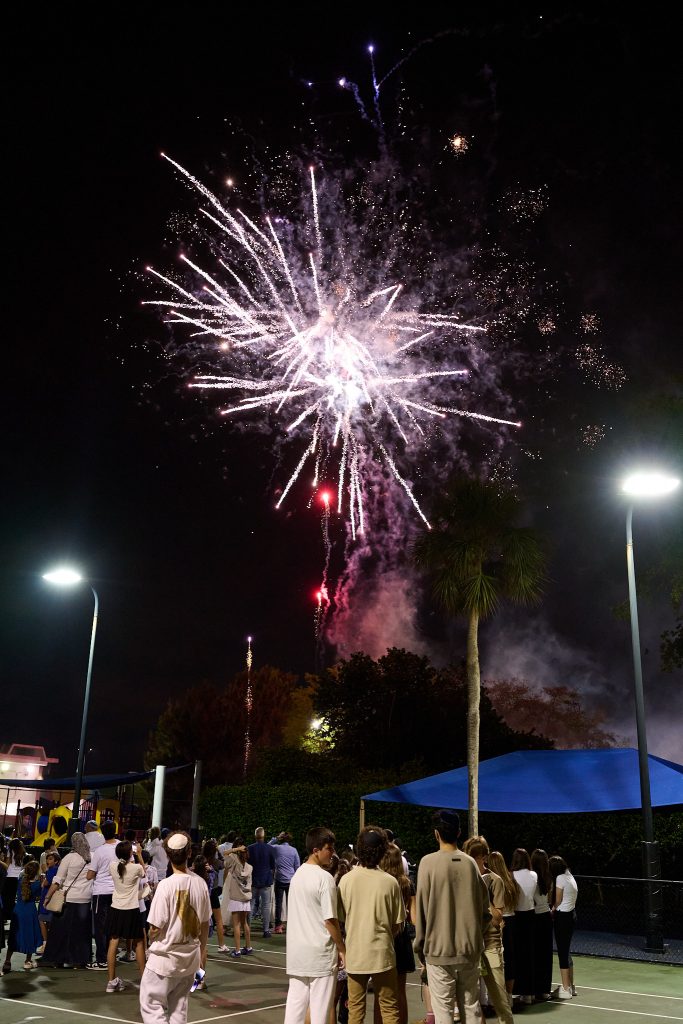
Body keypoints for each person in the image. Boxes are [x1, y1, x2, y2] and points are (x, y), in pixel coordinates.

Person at [413, 810, 489, 1024]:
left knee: (443, 1012)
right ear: (458, 832)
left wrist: (420, 946)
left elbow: (422, 909)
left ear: (436, 834)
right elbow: (485, 910)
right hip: (469, 950)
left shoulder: (427, 863)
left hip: (439, 951)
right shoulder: (471, 864)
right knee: (470, 1008)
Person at [139, 830, 211, 1023]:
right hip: (190, 959)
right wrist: (200, 955)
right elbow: (205, 925)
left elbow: (155, 928)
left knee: (152, 1007)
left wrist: (149, 947)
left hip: (164, 960)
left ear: (168, 855)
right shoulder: (201, 884)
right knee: (180, 1009)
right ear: (189, 853)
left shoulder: (165, 886)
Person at [337, 826, 404, 1024]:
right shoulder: (390, 882)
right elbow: (397, 924)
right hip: (382, 953)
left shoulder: (346, 880)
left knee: (355, 1011)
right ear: (383, 850)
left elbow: (341, 919)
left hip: (356, 954)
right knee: (389, 1009)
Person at [284, 826, 345, 1024]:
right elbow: (330, 920)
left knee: (295, 1009)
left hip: (297, 953)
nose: (332, 853)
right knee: (320, 1011)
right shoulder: (325, 879)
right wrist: (343, 949)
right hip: (320, 954)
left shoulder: (297, 876)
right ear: (316, 850)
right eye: (329, 848)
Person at [462, 836, 513, 1024]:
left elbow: (497, 918)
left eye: (475, 857)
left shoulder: (494, 880)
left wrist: (482, 890)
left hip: (490, 943)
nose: (471, 861)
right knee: (469, 1001)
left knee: (499, 999)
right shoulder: (462, 878)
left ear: (484, 857)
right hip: (468, 943)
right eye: (469, 856)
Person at [41, 831, 93, 968]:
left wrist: (47, 897)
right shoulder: (91, 857)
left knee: (61, 931)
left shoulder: (69, 858)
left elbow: (58, 880)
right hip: (85, 899)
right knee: (81, 932)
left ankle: (58, 959)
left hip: (68, 898)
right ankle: (79, 960)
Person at [377, 843, 416, 1024]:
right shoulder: (407, 884)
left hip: (384, 938)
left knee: (382, 990)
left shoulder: (380, 883)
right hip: (402, 939)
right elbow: (414, 918)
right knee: (400, 990)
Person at [105, 839, 147, 992]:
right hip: (131, 909)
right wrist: (140, 854)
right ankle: (144, 979)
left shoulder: (112, 866)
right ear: (131, 853)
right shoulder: (136, 867)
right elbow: (144, 873)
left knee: (113, 942)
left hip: (116, 908)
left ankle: (111, 981)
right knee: (139, 943)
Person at [486, 851, 519, 1008]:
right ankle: (509, 996)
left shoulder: (493, 881)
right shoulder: (510, 880)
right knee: (510, 960)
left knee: (496, 961)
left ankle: (494, 997)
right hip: (512, 921)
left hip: (500, 922)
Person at [86, 820, 119, 969]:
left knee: (100, 927)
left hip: (101, 892)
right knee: (113, 926)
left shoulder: (100, 851)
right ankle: (111, 955)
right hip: (117, 891)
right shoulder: (121, 847)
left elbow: (90, 874)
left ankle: (101, 960)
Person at [3, 860, 42, 972]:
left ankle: (7, 961)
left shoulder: (20, 881)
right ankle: (27, 961)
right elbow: (38, 896)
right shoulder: (38, 884)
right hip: (30, 911)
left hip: (18, 910)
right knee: (30, 935)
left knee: (14, 935)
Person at [549, 855, 578, 1000]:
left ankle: (566, 989)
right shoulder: (569, 875)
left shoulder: (560, 878)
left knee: (562, 952)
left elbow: (558, 900)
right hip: (571, 915)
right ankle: (571, 987)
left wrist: (552, 910)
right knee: (566, 951)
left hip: (563, 917)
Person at [510, 848, 537, 1003]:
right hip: (530, 914)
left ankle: (518, 991)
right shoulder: (534, 875)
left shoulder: (511, 875)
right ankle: (529, 993)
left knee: (517, 955)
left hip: (517, 916)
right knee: (529, 954)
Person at [222, 838, 253, 956]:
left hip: (236, 897)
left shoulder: (234, 862)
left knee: (236, 924)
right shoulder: (250, 867)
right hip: (246, 897)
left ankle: (237, 950)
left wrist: (236, 849)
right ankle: (248, 947)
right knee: (244, 922)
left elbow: (224, 853)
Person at [530, 849, 553, 1001]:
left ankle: (533, 989)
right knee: (546, 955)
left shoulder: (532, 878)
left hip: (535, 916)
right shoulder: (548, 877)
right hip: (546, 916)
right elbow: (549, 899)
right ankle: (545, 990)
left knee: (534, 954)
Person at [249, 826, 276, 937]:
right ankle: (265, 930)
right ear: (264, 836)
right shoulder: (270, 848)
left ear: (255, 836)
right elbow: (272, 865)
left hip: (253, 881)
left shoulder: (249, 848)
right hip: (266, 881)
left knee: (250, 905)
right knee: (266, 906)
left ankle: (247, 929)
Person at [271, 831, 301, 933]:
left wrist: (276, 838)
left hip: (279, 879)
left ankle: (278, 927)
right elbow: (297, 866)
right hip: (291, 880)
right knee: (291, 904)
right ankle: (292, 925)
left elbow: (266, 846)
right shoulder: (294, 850)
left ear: (281, 839)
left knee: (278, 904)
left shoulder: (276, 848)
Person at [202, 839, 228, 951]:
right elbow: (225, 863)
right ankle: (221, 945)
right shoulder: (217, 862)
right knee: (218, 919)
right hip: (213, 893)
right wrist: (219, 851)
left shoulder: (200, 861)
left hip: (202, 892)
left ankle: (201, 945)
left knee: (202, 920)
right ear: (214, 851)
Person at [37, 850, 60, 952]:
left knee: (41, 920)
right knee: (50, 922)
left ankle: (45, 943)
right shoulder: (56, 869)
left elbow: (45, 884)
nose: (47, 860)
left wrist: (43, 882)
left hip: (48, 898)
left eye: (50, 859)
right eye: (47, 858)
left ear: (56, 861)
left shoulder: (52, 870)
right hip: (51, 899)